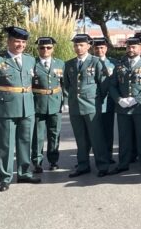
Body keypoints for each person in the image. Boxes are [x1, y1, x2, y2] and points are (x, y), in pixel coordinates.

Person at [0, 26, 40, 191]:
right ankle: (5, 178)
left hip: (27, 108)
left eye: (23, 42)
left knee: (25, 142)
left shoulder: (30, 60)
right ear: (9, 42)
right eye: (16, 41)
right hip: (5, 109)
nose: (20, 44)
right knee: (6, 144)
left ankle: (24, 173)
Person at [63, 34, 111, 178]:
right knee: (80, 138)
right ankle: (83, 165)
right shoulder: (69, 64)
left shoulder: (96, 62)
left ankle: (102, 165)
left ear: (89, 46)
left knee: (96, 137)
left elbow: (103, 84)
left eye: (81, 45)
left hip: (91, 105)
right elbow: (66, 85)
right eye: (76, 45)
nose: (78, 48)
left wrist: (97, 100)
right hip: (75, 106)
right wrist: (67, 102)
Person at [109, 37, 141, 176]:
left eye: (134, 47)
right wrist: (119, 99)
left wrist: (137, 99)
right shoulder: (119, 66)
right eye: (129, 47)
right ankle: (123, 164)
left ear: (140, 49)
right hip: (123, 108)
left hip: (140, 108)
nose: (131, 49)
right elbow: (112, 86)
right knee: (124, 138)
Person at [30, 36, 65, 172]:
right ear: (38, 49)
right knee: (37, 135)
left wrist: (65, 101)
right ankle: (37, 162)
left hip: (55, 103)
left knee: (54, 133)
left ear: (53, 49)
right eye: (42, 47)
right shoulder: (32, 63)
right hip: (37, 103)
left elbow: (65, 85)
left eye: (48, 47)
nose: (45, 50)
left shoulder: (60, 64)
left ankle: (53, 160)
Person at [92, 37, 117, 163]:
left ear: (106, 48)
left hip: (108, 102)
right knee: (95, 131)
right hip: (92, 102)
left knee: (108, 130)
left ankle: (108, 155)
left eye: (101, 47)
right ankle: (97, 155)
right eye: (96, 48)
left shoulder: (113, 63)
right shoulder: (89, 62)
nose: (99, 50)